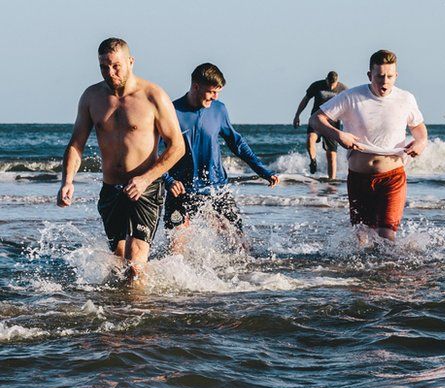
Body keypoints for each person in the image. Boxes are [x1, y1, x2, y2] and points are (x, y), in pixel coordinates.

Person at [57, 38, 185, 282]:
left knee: (135, 266)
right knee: (118, 264)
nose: (110, 72)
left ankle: (140, 315)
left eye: (116, 66)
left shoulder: (153, 96)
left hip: (146, 190)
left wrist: (146, 179)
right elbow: (76, 144)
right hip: (111, 190)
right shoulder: (92, 97)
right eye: (104, 67)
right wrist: (67, 181)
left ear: (131, 61)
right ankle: (121, 312)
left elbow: (177, 147)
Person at [312, 50, 427, 241]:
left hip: (392, 177)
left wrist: (421, 143)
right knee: (361, 236)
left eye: (390, 76)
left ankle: (388, 271)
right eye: (379, 76)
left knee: (386, 234)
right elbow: (316, 119)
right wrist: (339, 135)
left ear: (396, 75)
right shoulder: (351, 97)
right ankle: (363, 272)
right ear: (369, 75)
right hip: (359, 178)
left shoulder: (406, 98)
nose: (385, 81)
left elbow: (419, 129)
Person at [162, 63, 280, 247]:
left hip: (217, 188)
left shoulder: (219, 109)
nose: (215, 97)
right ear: (195, 86)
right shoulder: (171, 112)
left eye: (218, 92)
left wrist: (263, 171)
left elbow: (237, 143)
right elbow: (152, 154)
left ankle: (244, 276)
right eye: (211, 92)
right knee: (175, 247)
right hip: (182, 190)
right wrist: (168, 181)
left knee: (240, 243)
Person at [293, 71, 348, 178]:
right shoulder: (317, 85)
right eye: (329, 83)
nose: (331, 86)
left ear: (337, 81)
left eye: (333, 84)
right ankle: (313, 161)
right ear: (326, 79)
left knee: (331, 155)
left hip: (332, 123)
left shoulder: (343, 89)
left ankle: (331, 181)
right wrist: (297, 115)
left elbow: (349, 106)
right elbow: (305, 100)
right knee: (310, 139)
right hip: (316, 120)